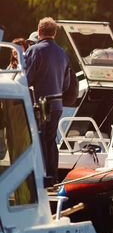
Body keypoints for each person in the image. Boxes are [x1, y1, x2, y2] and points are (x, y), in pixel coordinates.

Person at [25, 18, 72, 185]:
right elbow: (66, 84)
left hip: (41, 104)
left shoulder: (35, 51)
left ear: (39, 31)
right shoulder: (63, 53)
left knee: (39, 138)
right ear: (55, 33)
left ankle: (42, 179)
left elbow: (26, 79)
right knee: (50, 140)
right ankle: (52, 178)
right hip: (57, 104)